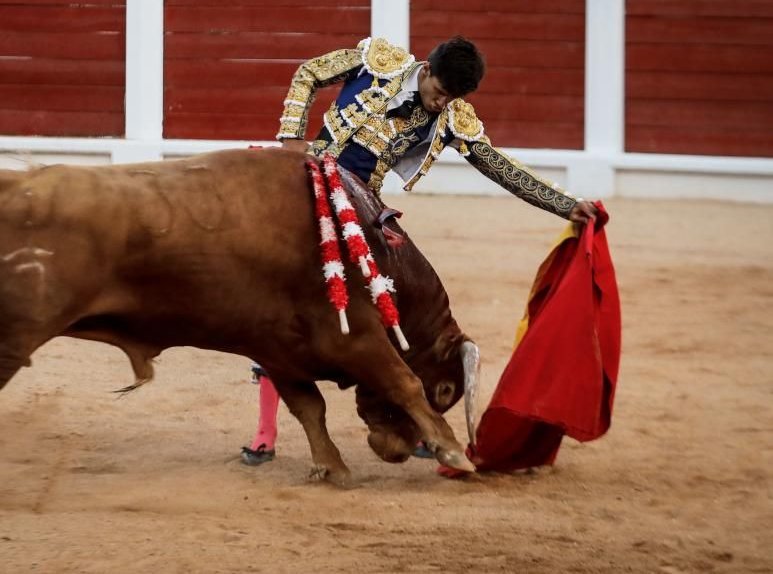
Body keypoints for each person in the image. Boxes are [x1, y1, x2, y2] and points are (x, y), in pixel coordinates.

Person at [242, 35, 598, 466]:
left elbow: (500, 167)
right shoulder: (378, 62)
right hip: (298, 183)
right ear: (426, 71)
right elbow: (309, 73)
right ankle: (265, 431)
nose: (440, 104)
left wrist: (565, 205)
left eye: (451, 98)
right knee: (271, 304)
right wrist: (291, 139)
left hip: (358, 210)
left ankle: (401, 420)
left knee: (391, 307)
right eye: (439, 92)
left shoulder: (452, 119)